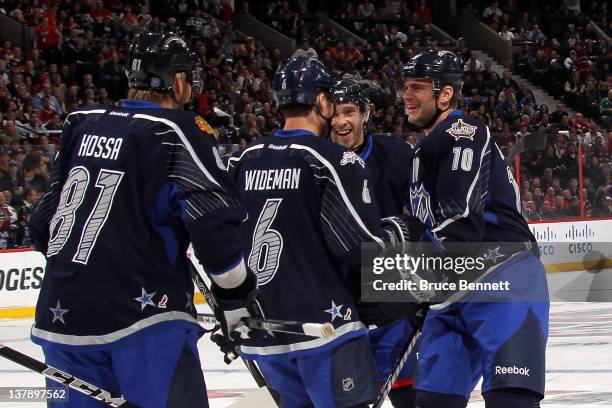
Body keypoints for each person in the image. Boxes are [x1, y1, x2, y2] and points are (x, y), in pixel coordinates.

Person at [28, 32, 259, 408]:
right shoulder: (178, 130)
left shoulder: (80, 122)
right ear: (178, 81)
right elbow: (214, 229)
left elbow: (42, 224)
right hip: (144, 322)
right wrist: (235, 296)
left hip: (60, 319)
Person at [226, 57, 396, 408]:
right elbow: (360, 250)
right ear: (321, 100)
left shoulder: (243, 160)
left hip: (265, 330)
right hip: (325, 329)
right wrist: (398, 233)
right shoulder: (333, 160)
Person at [401, 50, 549, 408]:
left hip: (504, 277)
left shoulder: (461, 133)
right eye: (406, 86)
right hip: (452, 289)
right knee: (435, 401)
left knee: (509, 399)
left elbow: (461, 225)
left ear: (446, 94)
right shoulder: (425, 149)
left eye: (417, 87)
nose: (407, 95)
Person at [330, 77, 417, 408]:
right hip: (337, 303)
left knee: (409, 392)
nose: (341, 122)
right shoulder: (315, 158)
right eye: (335, 114)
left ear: (366, 113)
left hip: (392, 299)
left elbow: (424, 217)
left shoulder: (396, 154)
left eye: (349, 112)